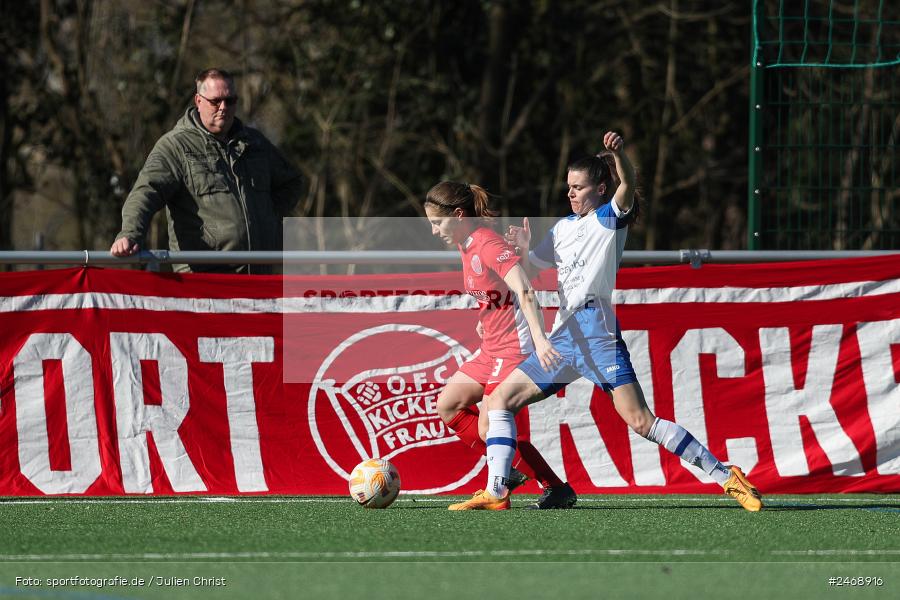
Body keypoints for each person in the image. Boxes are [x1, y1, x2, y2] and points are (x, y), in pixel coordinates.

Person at [462, 131, 763, 511]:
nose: (570, 194)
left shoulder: (608, 219)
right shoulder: (561, 229)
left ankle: (726, 475)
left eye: (578, 187)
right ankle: (497, 491)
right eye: (568, 187)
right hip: (566, 335)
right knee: (501, 400)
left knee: (641, 422)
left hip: (598, 332)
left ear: (601, 188)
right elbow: (528, 272)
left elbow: (630, 185)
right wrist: (521, 251)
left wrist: (619, 156)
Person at [424, 181, 576, 510]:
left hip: (514, 348)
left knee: (487, 424)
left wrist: (540, 340)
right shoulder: (465, 245)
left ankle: (500, 490)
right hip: (491, 347)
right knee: (447, 405)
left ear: (459, 215)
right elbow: (498, 293)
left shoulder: (488, 244)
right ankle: (514, 474)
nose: (435, 232)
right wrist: (488, 314)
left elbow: (525, 290)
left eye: (437, 223)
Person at [110, 68, 303, 273]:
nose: (223, 107)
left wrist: (266, 219)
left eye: (230, 101)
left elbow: (291, 182)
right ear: (198, 101)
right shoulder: (175, 147)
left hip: (258, 277)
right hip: (204, 282)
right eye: (216, 101)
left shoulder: (255, 143)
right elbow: (146, 192)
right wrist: (129, 234)